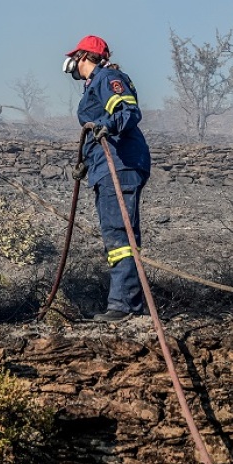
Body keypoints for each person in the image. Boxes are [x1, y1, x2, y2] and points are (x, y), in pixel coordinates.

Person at [63, 35, 151, 322]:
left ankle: (124, 306)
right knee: (117, 235)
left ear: (83, 57)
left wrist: (107, 125)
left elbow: (129, 111)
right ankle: (127, 302)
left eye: (75, 57)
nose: (71, 63)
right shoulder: (94, 85)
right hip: (106, 165)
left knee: (120, 234)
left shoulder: (108, 78)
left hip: (120, 164)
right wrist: (86, 164)